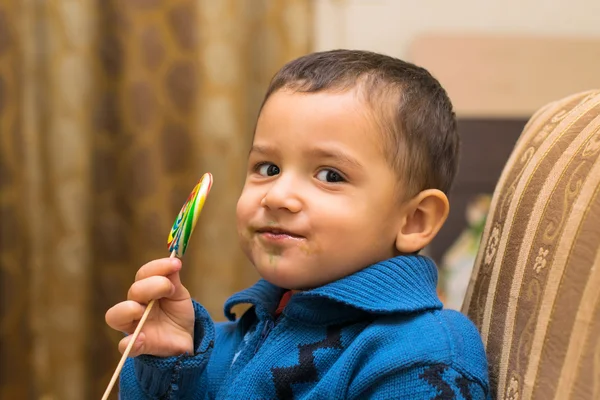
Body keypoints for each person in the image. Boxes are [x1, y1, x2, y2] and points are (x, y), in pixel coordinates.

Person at [106, 49, 490, 399]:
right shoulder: (226, 343)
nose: (277, 196)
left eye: (330, 175)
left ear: (413, 220)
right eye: (268, 168)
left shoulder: (425, 355)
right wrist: (168, 365)